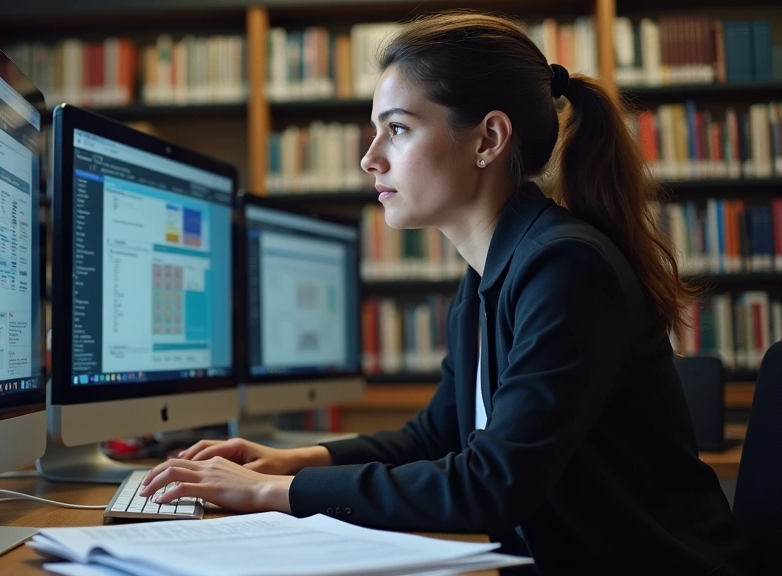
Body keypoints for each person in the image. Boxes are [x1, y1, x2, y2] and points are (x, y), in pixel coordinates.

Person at [139, 12, 754, 575]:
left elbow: (492, 484)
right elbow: (436, 436)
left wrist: (273, 493)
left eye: (397, 129)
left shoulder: (566, 268)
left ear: (488, 139)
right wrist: (289, 460)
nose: (370, 159)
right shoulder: (490, 271)